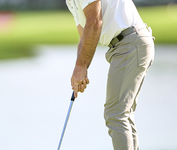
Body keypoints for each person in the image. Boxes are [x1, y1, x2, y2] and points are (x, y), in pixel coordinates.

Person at [66, 0, 155, 149]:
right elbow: (84, 34)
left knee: (115, 115)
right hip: (127, 44)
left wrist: (81, 66)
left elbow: (95, 22)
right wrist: (80, 68)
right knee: (123, 115)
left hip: (129, 42)